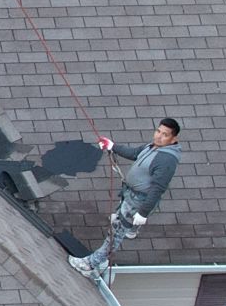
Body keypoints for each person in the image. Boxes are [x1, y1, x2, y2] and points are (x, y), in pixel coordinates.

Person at [71, 118, 180, 277]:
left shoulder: (166, 159)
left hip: (138, 201)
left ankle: (90, 264)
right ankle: (130, 230)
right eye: (158, 131)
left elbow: (158, 189)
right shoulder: (153, 147)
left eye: (164, 135)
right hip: (130, 195)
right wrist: (112, 146)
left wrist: (143, 213)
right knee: (119, 226)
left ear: (173, 139)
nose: (158, 136)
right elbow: (135, 153)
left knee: (115, 233)